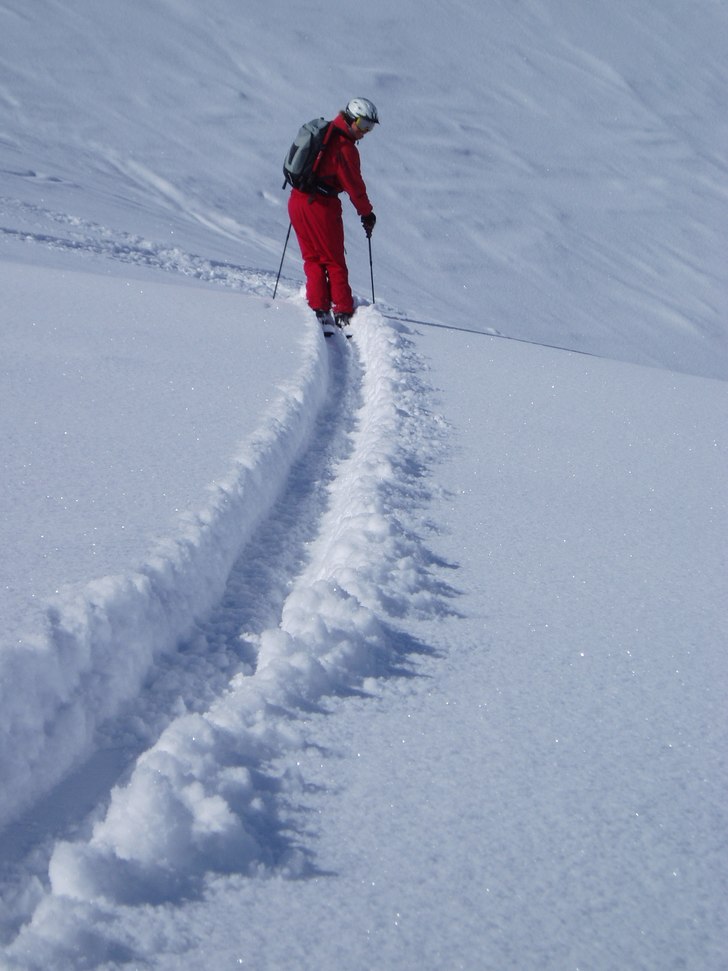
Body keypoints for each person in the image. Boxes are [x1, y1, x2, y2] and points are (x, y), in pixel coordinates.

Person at [288, 97, 378, 336]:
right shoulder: (344, 148)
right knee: (334, 261)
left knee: (313, 257)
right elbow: (355, 187)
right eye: (364, 125)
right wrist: (367, 213)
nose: (365, 132)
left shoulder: (324, 131)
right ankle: (343, 312)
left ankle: (318, 307)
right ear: (351, 118)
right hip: (320, 206)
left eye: (370, 127)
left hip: (297, 201)